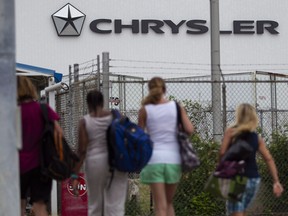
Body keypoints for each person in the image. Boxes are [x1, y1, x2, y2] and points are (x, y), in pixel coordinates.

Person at [138, 77, 194, 216]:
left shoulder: (145, 110)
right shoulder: (176, 107)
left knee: (160, 206)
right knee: (169, 203)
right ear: (164, 89)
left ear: (150, 90)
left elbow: (139, 136)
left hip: (154, 160)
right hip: (173, 159)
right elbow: (189, 129)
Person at [220, 103, 284, 216]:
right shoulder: (256, 137)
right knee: (241, 211)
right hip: (253, 180)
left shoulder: (231, 132)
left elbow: (222, 153)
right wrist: (276, 181)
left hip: (236, 178)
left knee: (236, 212)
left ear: (238, 115)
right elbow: (268, 158)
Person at [71, 89, 128, 216]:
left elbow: (82, 151)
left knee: (95, 205)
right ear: (103, 102)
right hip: (117, 161)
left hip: (95, 163)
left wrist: (74, 175)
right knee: (116, 207)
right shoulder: (116, 117)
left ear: (88, 104)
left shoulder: (85, 121)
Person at [17, 76, 62, 216]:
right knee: (40, 206)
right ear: (30, 88)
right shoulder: (43, 109)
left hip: (16, 166)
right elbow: (59, 133)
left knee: (18, 205)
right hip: (41, 165)